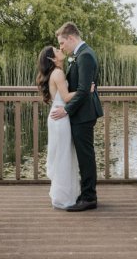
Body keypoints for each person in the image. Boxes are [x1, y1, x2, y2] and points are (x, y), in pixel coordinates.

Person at [50, 22, 103, 212]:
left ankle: (89, 197)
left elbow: (83, 91)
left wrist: (66, 110)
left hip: (84, 114)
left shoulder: (86, 56)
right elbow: (83, 88)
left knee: (86, 157)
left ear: (71, 38)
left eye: (63, 43)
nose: (62, 47)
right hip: (81, 113)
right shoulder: (80, 55)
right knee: (83, 156)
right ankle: (85, 194)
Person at [36, 45, 80, 209]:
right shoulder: (58, 73)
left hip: (57, 115)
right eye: (57, 50)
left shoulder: (57, 72)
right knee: (63, 155)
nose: (60, 50)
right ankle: (63, 198)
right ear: (53, 59)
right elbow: (67, 97)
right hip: (60, 117)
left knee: (62, 154)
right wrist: (85, 90)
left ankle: (64, 195)